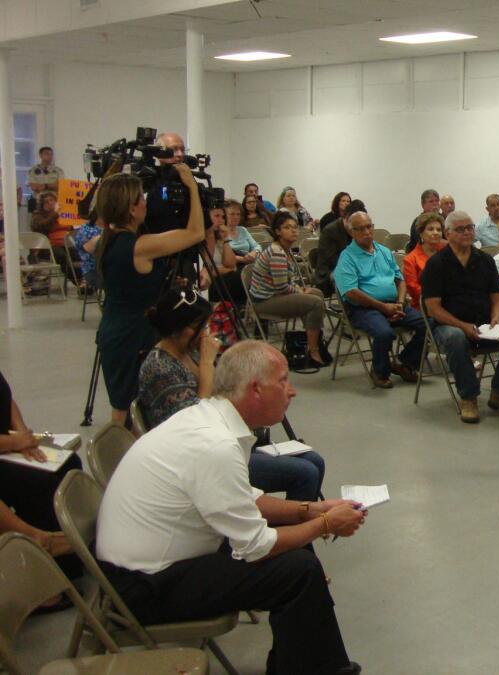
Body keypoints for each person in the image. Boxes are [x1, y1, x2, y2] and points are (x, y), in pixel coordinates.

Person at [97, 341, 365, 675]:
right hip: (144, 588)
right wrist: (325, 523)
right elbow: (255, 547)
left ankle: (306, 666)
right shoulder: (216, 445)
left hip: (145, 567)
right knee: (298, 572)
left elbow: (246, 498)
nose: (292, 391)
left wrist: (314, 508)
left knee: (297, 564)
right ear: (255, 389)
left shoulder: (210, 420)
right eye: (282, 381)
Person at [137, 292, 326, 501]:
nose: (207, 333)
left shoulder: (187, 352)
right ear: (185, 330)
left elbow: (218, 390)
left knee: (314, 460)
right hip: (198, 458)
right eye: (203, 327)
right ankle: (291, 528)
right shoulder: (160, 369)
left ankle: (293, 524)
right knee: (306, 473)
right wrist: (208, 363)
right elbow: (195, 421)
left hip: (221, 438)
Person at [95, 162, 205, 427]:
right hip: (133, 335)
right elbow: (196, 233)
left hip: (114, 330)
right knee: (129, 413)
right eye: (141, 198)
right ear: (131, 209)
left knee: (123, 408)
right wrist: (191, 186)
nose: (146, 203)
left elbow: (131, 283)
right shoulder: (139, 246)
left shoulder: (107, 240)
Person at [420, 211, 499, 423]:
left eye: (470, 227)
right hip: (448, 324)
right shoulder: (437, 264)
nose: (467, 232)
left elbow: (497, 297)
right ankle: (468, 397)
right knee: (455, 337)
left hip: (484, 323)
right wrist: (463, 325)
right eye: (461, 229)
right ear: (448, 234)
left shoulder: (485, 260)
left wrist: (496, 318)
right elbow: (433, 309)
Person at [0, 369, 84, 588]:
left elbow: (6, 399)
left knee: (68, 464)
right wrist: (14, 443)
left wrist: (23, 435)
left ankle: (75, 556)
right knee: (37, 482)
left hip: (10, 445)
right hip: (5, 448)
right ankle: (44, 559)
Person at [333, 211, 426, 388]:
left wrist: (399, 303)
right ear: (351, 232)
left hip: (393, 304)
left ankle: (404, 363)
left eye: (369, 226)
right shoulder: (347, 257)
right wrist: (383, 307)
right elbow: (351, 292)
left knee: (428, 324)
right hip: (363, 309)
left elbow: (400, 280)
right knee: (384, 333)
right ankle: (379, 371)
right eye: (360, 229)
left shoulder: (384, 251)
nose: (366, 231)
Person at [248, 212, 329, 366]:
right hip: (265, 301)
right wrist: (299, 291)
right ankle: (313, 351)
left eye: (295, 227)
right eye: (287, 227)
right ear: (278, 231)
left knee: (317, 293)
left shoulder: (286, 249)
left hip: (275, 294)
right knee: (315, 303)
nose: (293, 231)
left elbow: (286, 283)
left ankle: (314, 338)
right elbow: (282, 287)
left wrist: (299, 289)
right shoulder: (277, 252)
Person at [314, 199, 365, 296]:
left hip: (353, 266)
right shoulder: (330, 231)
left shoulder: (359, 229)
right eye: (355, 225)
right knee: (359, 278)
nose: (358, 229)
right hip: (329, 272)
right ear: (345, 218)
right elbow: (332, 261)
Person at [203, 204, 246, 305]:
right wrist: (229, 270)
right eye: (217, 216)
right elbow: (206, 270)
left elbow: (231, 264)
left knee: (248, 272)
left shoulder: (219, 238)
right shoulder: (201, 240)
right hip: (213, 283)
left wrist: (225, 239)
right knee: (245, 276)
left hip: (226, 277)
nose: (221, 220)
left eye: (223, 217)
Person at [403, 211, 446, 310]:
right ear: (421, 233)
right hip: (425, 308)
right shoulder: (410, 259)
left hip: (451, 303)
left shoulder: (447, 254)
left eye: (439, 230)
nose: (435, 232)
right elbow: (415, 291)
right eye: (431, 229)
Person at [29, 190, 73, 281]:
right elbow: (42, 226)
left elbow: (70, 228)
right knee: (62, 256)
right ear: (42, 204)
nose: (50, 203)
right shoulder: (38, 215)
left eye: (51, 200)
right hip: (48, 246)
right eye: (46, 201)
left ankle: (84, 280)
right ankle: (78, 280)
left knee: (79, 254)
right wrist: (55, 214)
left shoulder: (64, 214)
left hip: (66, 243)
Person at [225, 198, 262, 266]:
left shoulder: (243, 230)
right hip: (232, 266)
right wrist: (242, 259)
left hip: (248, 263)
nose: (236, 217)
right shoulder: (221, 233)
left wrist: (254, 252)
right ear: (224, 216)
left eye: (238, 214)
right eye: (232, 214)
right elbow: (222, 255)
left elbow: (257, 246)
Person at [406, 188, 440, 252]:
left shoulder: (442, 219)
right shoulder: (418, 222)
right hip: (420, 255)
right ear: (423, 205)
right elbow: (425, 242)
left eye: (437, 201)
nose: (435, 204)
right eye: (431, 201)